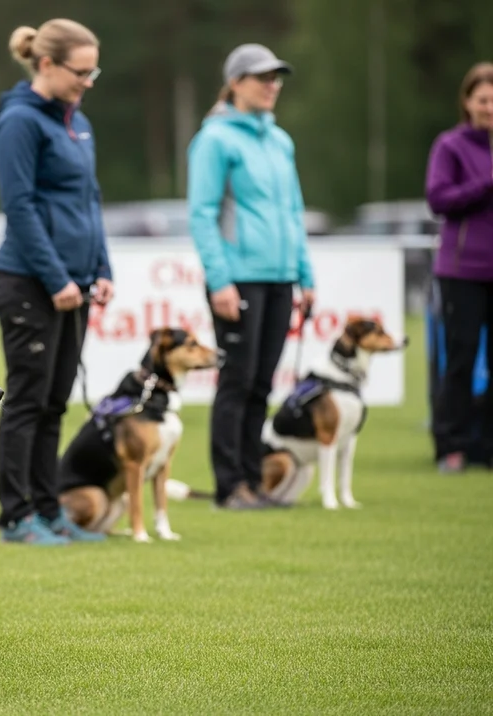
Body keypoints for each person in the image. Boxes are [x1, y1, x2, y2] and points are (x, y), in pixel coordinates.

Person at [0, 19, 114, 546]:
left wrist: (101, 269)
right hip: (29, 283)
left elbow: (90, 201)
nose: (88, 81)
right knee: (27, 401)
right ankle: (17, 517)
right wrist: (57, 276)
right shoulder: (19, 121)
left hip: (75, 286)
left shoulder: (76, 121)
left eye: (94, 72)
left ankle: (49, 509)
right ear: (46, 64)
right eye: (80, 72)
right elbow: (19, 207)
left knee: (56, 402)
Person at [187, 43, 315, 510]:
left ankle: (253, 481)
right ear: (236, 82)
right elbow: (201, 215)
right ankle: (230, 486)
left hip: (280, 278)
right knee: (237, 383)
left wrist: (306, 275)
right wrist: (220, 280)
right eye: (262, 77)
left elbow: (293, 212)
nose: (272, 85)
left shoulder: (280, 140)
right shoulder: (215, 139)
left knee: (262, 384)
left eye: (276, 77)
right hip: (237, 280)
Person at [425, 61, 493, 473]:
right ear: (467, 102)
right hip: (462, 270)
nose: (490, 108)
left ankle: (486, 444)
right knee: (461, 359)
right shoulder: (450, 146)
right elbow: (439, 199)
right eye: (483, 100)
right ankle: (451, 444)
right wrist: (487, 182)